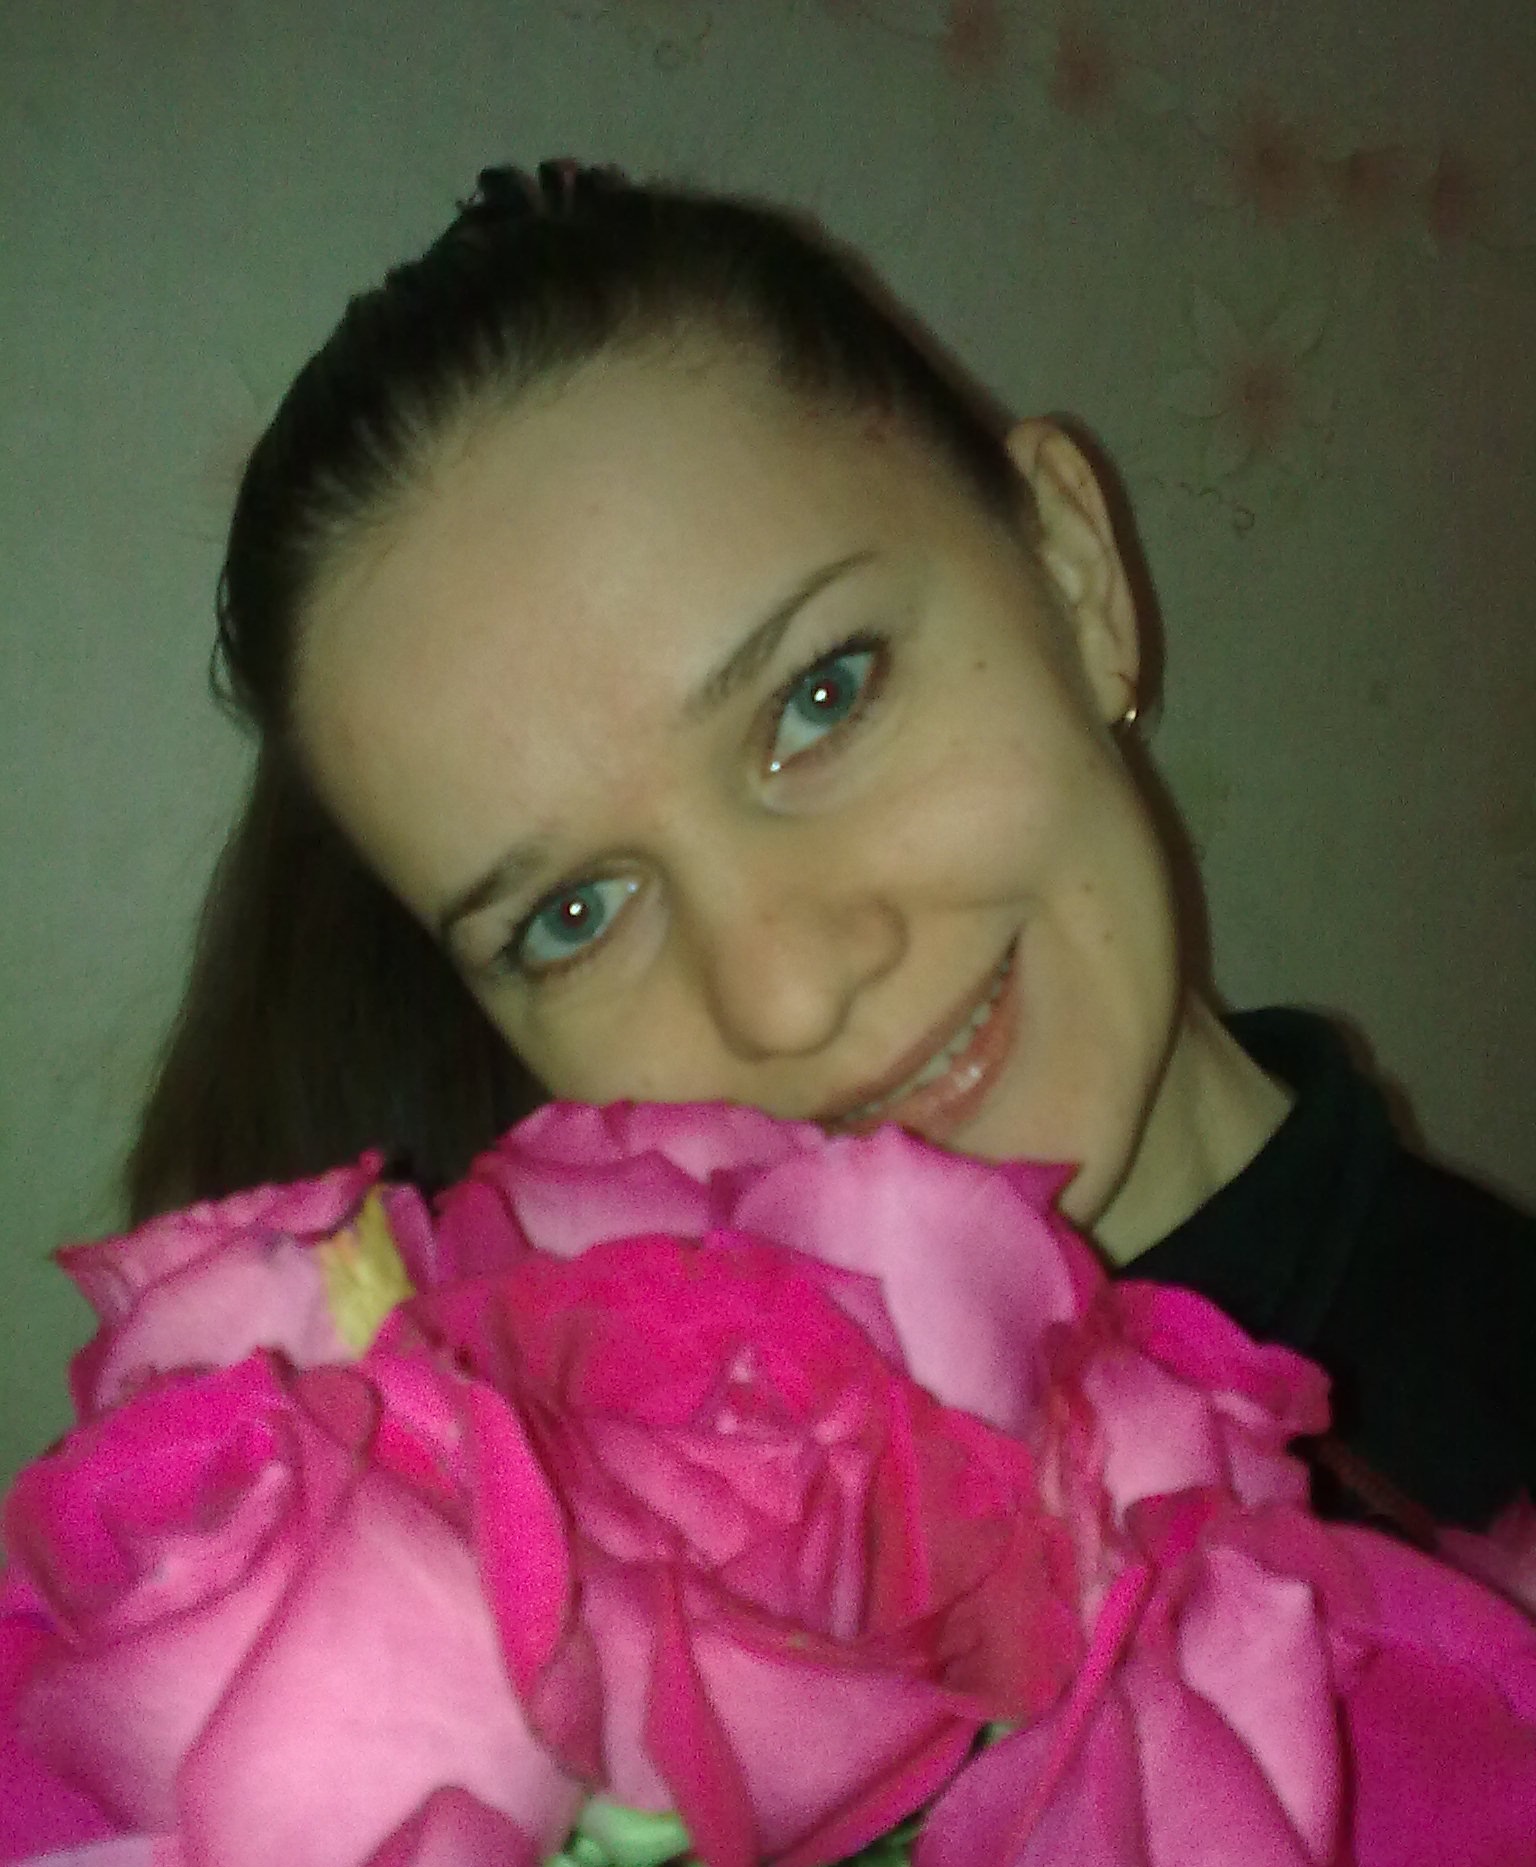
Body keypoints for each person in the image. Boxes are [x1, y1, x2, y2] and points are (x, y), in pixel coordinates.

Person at [130, 162, 1535, 1532]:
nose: (787, 995)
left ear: (1074, 573)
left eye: (821, 697)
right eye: (572, 915)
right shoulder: (595, 1570)